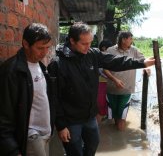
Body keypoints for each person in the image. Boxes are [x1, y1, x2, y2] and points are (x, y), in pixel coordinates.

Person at [48, 22, 155, 156]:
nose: (88, 47)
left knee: (93, 143)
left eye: (90, 43)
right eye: (84, 43)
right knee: (74, 151)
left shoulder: (92, 54)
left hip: (90, 116)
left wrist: (141, 63)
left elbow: (115, 61)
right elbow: (54, 98)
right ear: (72, 41)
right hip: (71, 121)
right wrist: (61, 125)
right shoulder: (58, 64)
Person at [0, 23, 56, 156]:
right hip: (30, 136)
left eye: (47, 48)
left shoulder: (40, 65)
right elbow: (3, 114)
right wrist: (12, 149)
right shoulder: (11, 71)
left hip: (46, 133)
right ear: (25, 44)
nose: (44, 53)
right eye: (40, 48)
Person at [103, 31, 149, 131]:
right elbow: (104, 68)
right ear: (123, 40)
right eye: (130, 38)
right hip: (111, 90)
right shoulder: (110, 50)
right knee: (115, 117)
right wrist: (115, 80)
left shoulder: (134, 50)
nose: (132, 41)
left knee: (122, 118)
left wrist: (146, 68)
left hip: (126, 89)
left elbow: (144, 61)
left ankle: (121, 139)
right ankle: (117, 141)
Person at [96, 40, 113, 123]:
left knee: (106, 105)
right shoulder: (100, 57)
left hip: (106, 83)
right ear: (103, 48)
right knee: (101, 106)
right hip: (102, 83)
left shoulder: (106, 57)